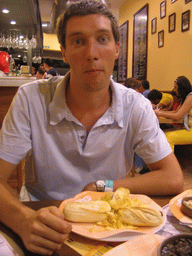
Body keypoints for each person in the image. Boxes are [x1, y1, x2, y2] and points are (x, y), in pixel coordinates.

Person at [0, 1, 183, 255]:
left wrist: (102, 185)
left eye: (103, 39)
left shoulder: (135, 106)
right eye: (78, 41)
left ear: (117, 48)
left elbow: (173, 178)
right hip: (44, 224)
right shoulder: (30, 99)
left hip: (110, 229)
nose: (92, 53)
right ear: (63, 51)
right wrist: (22, 220)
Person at [155, 76, 192, 152]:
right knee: (161, 134)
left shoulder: (190, 97)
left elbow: (177, 116)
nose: (174, 90)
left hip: (190, 129)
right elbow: (175, 112)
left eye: (175, 87)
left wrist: (159, 112)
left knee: (168, 137)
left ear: (181, 88)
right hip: (187, 128)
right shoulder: (186, 97)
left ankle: (168, 163)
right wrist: (159, 113)